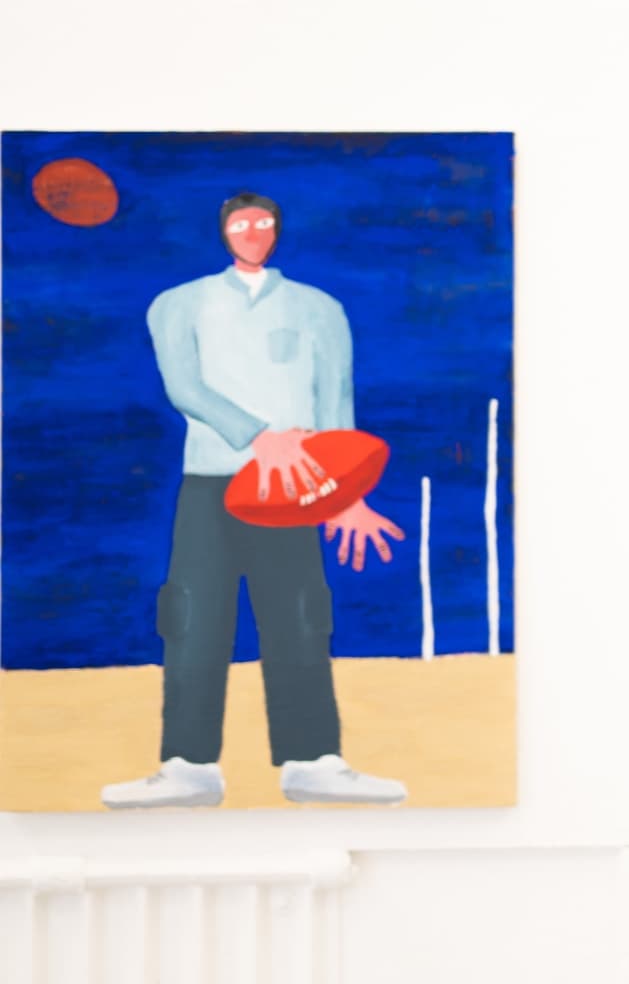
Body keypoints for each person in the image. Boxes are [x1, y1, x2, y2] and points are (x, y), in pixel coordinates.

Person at [101, 192, 408, 808]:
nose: (253, 231)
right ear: (224, 230)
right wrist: (259, 438)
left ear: (277, 230)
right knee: (192, 617)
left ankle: (312, 758)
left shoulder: (319, 308)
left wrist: (346, 496)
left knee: (299, 616)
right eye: (242, 222)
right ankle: (188, 765)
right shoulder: (179, 303)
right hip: (212, 482)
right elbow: (184, 387)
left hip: (295, 491)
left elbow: (335, 403)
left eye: (264, 222)